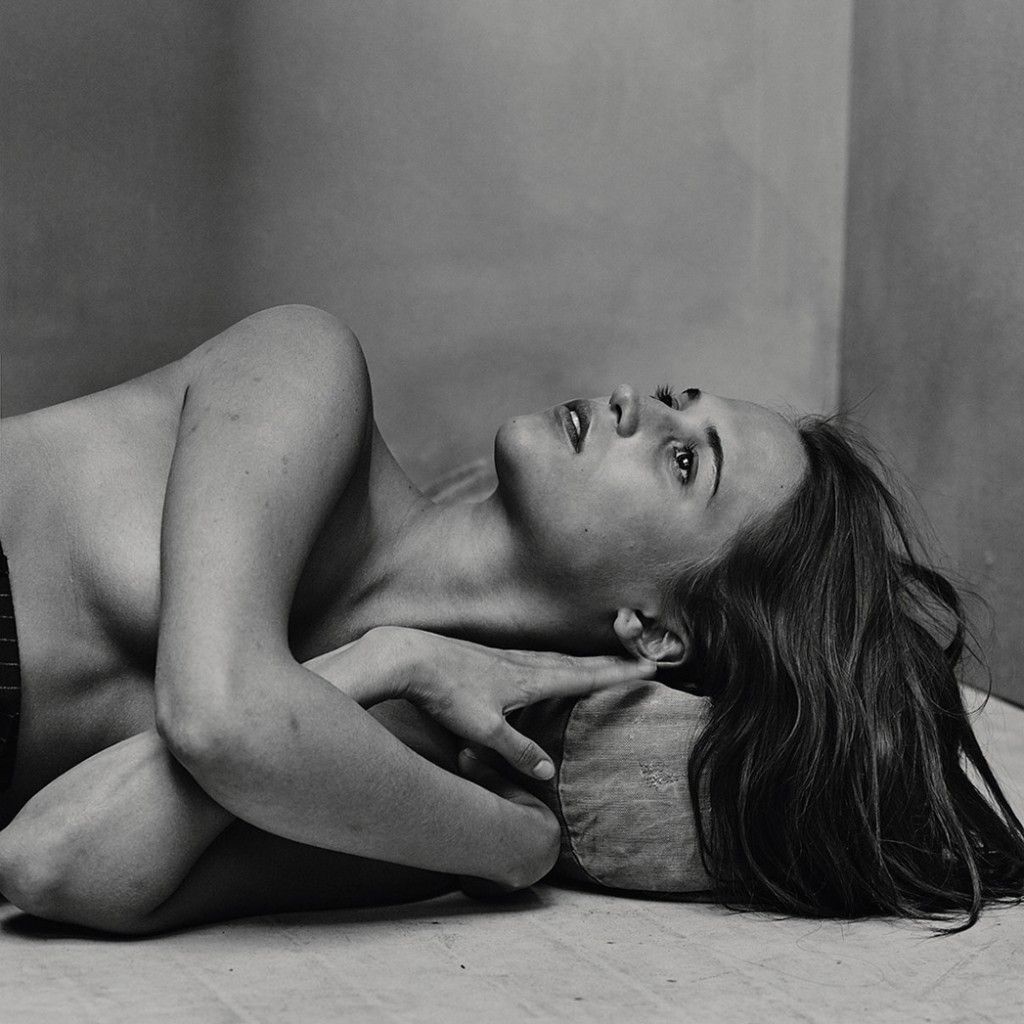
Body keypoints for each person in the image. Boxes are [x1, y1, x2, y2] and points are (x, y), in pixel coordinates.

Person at [0, 305, 1020, 934]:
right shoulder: (306, 373)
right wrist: (514, 849)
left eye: (682, 461)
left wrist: (379, 665)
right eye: (674, 400)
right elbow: (218, 716)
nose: (632, 405)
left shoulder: (405, 779)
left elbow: (49, 862)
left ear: (655, 631)